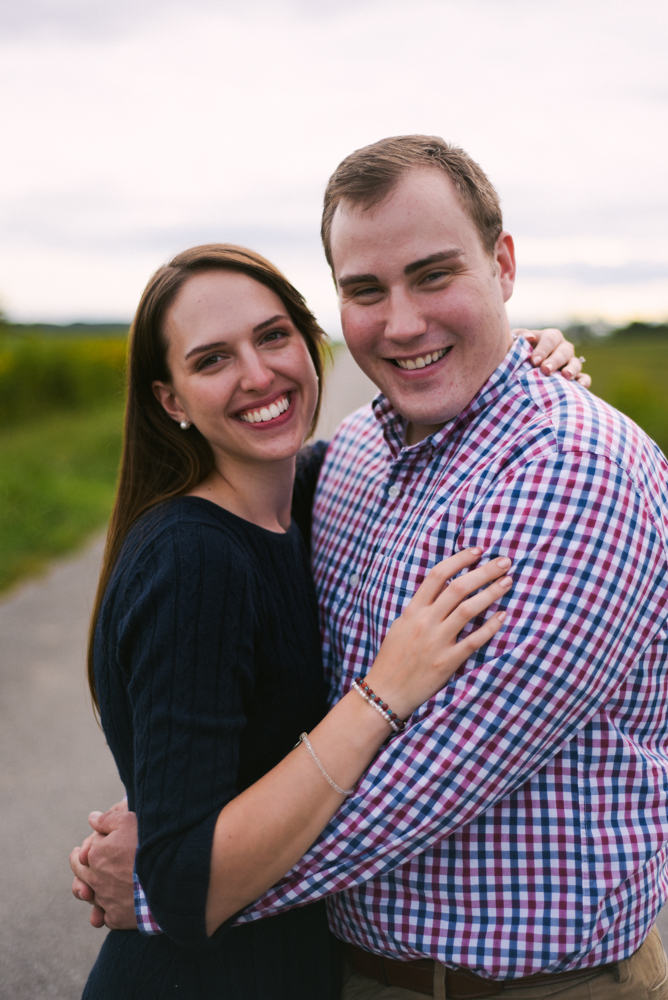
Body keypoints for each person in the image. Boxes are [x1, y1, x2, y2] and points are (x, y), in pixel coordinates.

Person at [71, 138, 635, 997]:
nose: (402, 322)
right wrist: (186, 871)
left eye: (436, 275)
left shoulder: (563, 465)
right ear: (169, 400)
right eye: (367, 289)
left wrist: (175, 883)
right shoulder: (347, 462)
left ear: (503, 264)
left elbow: (429, 783)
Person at [77, 242, 521, 999]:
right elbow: (183, 882)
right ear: (171, 400)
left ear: (312, 345)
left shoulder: (309, 495)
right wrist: (386, 688)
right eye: (213, 359)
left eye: (273, 336)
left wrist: (531, 356)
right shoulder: (196, 560)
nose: (258, 375)